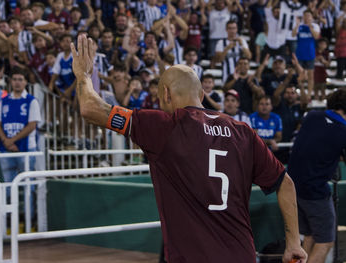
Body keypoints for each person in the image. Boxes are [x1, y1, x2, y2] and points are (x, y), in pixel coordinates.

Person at [70, 35, 307, 263]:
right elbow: (285, 184)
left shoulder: (163, 127)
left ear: (165, 94)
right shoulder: (243, 132)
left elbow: (90, 108)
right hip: (241, 255)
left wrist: (84, 76)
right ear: (202, 94)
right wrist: (294, 244)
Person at [288, 89, 346, 263]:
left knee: (310, 236)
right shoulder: (343, 131)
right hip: (314, 192)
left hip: (292, 188)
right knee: (326, 241)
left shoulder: (311, 116)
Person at [0, 67, 41, 182]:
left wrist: (11, 140)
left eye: (20, 79)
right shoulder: (4, 101)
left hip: (26, 149)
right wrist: (6, 141)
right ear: (10, 81)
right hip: (6, 149)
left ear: (26, 82)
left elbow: (32, 126)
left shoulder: (32, 101)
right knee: (6, 185)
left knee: (27, 185)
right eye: (15, 79)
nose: (17, 82)